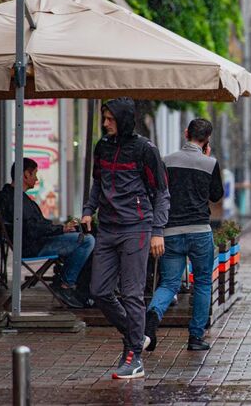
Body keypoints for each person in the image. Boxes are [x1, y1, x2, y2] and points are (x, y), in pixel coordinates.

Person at [82, 97, 170, 379]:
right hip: (108, 228)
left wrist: (157, 231)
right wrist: (88, 210)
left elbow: (161, 193)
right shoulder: (102, 147)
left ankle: (134, 357)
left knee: (132, 293)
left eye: (110, 119)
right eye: (104, 118)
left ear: (123, 119)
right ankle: (137, 334)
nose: (105, 123)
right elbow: (98, 183)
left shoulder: (145, 149)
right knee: (99, 291)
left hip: (137, 228)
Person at [144, 118, 224, 353]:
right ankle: (195, 337)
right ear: (207, 139)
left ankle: (151, 319)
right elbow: (216, 195)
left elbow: (156, 192)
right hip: (199, 231)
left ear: (186, 133)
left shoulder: (166, 161)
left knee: (169, 283)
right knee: (202, 282)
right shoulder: (210, 163)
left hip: (170, 231)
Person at [0, 158, 94, 309]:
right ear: (25, 175)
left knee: (81, 237)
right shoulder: (16, 200)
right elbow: (33, 228)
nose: (36, 179)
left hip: (34, 242)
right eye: (34, 174)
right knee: (87, 240)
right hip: (34, 246)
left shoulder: (12, 197)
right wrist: (61, 229)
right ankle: (66, 285)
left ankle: (66, 281)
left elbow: (35, 225)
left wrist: (61, 228)